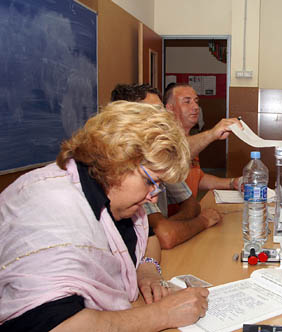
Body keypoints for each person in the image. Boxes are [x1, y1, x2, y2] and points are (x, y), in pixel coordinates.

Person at [0, 102, 209, 331]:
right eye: (150, 182)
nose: (153, 197)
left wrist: (146, 269)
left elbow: (148, 237)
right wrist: (162, 314)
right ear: (117, 161)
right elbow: (58, 326)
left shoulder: (115, 196)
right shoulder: (52, 209)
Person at [111, 83, 222, 249]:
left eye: (161, 111)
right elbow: (165, 235)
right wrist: (201, 221)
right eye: (153, 113)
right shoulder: (126, 166)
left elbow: (192, 205)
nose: (163, 118)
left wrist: (166, 225)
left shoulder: (159, 156)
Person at [165, 84, 242, 199]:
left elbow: (197, 177)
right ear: (170, 108)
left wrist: (232, 183)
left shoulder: (192, 141)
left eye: (196, 101)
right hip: (173, 216)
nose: (196, 107)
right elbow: (178, 154)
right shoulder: (163, 139)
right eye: (187, 102)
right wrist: (212, 134)